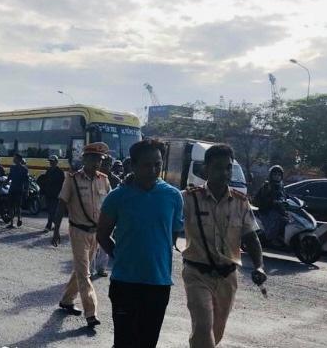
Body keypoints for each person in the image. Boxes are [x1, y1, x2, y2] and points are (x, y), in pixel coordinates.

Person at [97, 139, 184, 348]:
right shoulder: (117, 197)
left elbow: (171, 238)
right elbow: (102, 234)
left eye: (158, 164)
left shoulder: (173, 196)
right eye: (147, 165)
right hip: (125, 284)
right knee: (124, 343)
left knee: (147, 343)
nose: (153, 170)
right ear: (133, 165)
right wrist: (119, 256)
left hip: (158, 285)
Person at [180, 144, 266, 348]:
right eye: (218, 167)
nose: (224, 172)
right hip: (197, 274)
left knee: (215, 333)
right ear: (206, 169)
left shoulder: (241, 202)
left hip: (227, 277)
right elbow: (163, 205)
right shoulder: (188, 198)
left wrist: (259, 266)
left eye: (228, 167)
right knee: (203, 326)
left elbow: (251, 238)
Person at [51, 142, 111, 329]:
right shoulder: (72, 179)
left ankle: (67, 300)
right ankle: (91, 313)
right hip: (78, 231)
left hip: (96, 233)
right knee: (85, 274)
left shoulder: (104, 179)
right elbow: (61, 204)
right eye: (93, 159)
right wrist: (55, 231)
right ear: (84, 159)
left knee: (80, 270)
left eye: (99, 160)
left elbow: (109, 206)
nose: (96, 163)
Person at [253, 165, 289, 245]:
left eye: (279, 175)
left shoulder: (281, 186)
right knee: (276, 218)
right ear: (271, 175)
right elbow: (264, 197)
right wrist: (273, 201)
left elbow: (286, 197)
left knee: (287, 219)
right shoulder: (267, 185)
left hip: (277, 209)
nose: (277, 176)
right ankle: (271, 237)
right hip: (266, 210)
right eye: (275, 174)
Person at [42, 155, 65, 232]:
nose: (51, 163)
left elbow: (63, 184)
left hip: (56, 194)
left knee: (52, 210)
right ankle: (56, 224)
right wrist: (43, 191)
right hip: (48, 193)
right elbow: (45, 181)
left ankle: (48, 226)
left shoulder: (60, 172)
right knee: (50, 210)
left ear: (56, 162)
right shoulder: (48, 171)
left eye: (53, 161)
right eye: (50, 162)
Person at [7, 153, 29, 228]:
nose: (13, 159)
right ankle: (13, 222)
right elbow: (9, 177)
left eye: (15, 158)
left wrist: (27, 190)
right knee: (13, 206)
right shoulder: (14, 168)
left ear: (19, 160)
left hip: (17, 189)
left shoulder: (23, 169)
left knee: (15, 206)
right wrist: (4, 183)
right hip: (15, 188)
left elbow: (26, 181)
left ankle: (17, 220)